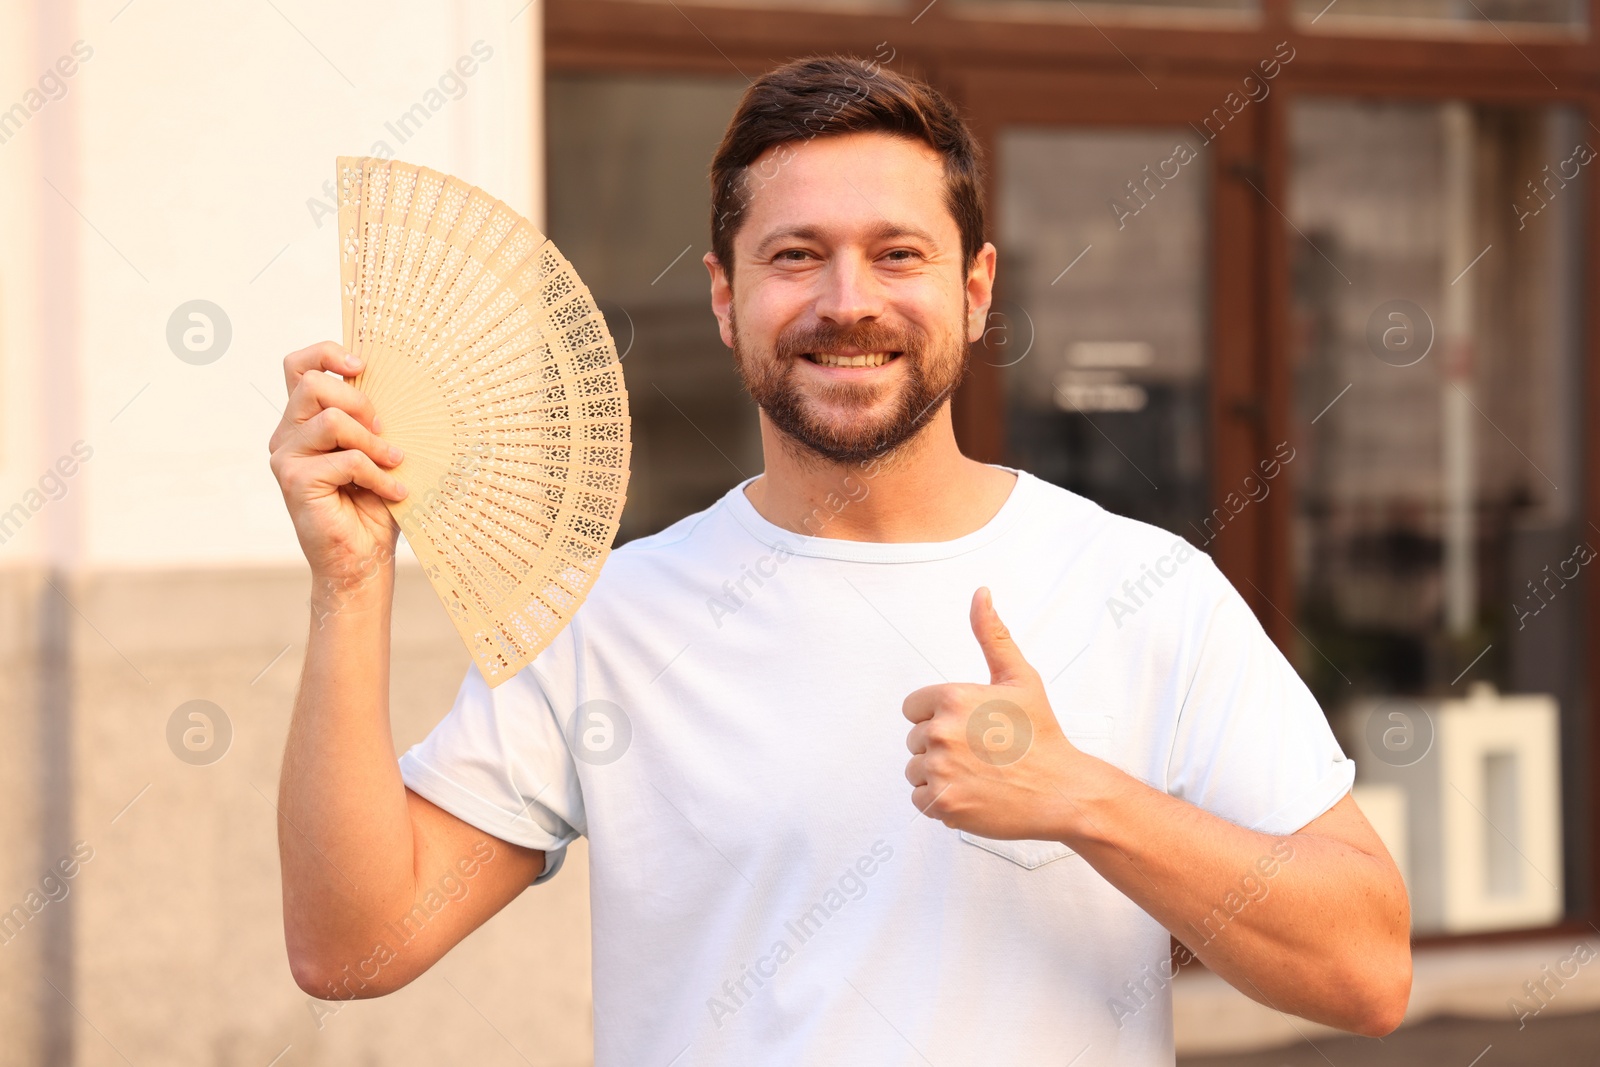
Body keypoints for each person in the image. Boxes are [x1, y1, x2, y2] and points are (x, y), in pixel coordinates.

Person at [267, 54, 1409, 1065]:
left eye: (896, 253)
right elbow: (354, 945)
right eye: (795, 255)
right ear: (725, 298)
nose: (846, 301)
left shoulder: (1143, 587)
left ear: (976, 288)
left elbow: (1365, 970)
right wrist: (352, 584)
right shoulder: (608, 615)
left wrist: (1086, 799)